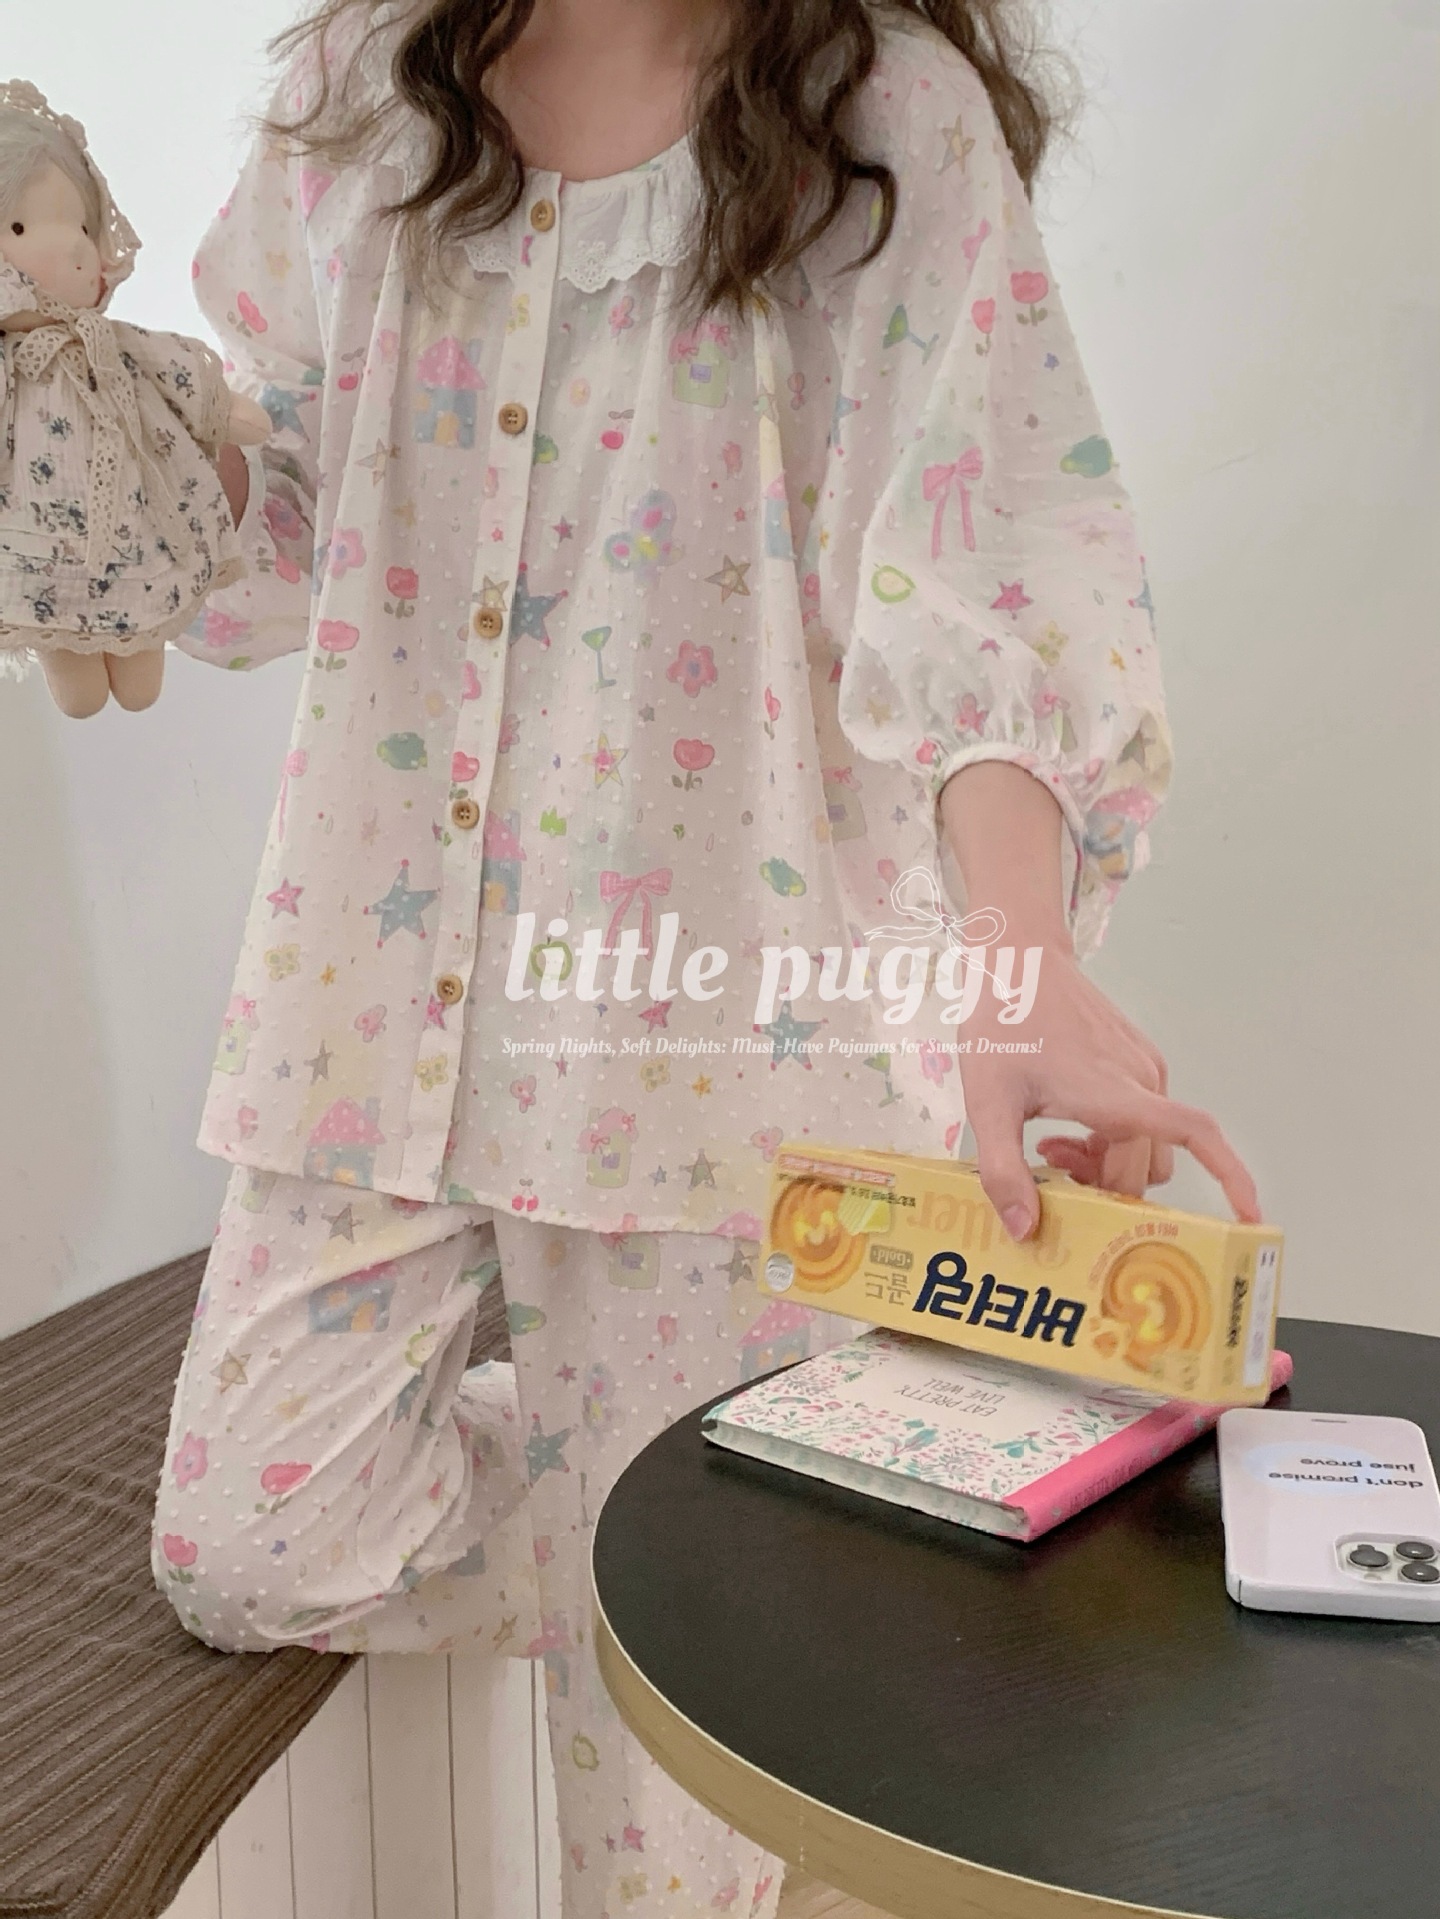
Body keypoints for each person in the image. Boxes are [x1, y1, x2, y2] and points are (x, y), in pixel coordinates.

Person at [135, 1, 1261, 1912]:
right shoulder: (362, 85)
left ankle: (726, 1524)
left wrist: (1019, 965)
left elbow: (983, 567)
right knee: (256, 1540)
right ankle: (745, 1512)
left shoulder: (884, 116)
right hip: (373, 1002)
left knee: (667, 1852)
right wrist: (106, 482)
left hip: (720, 1039)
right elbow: (307, 497)